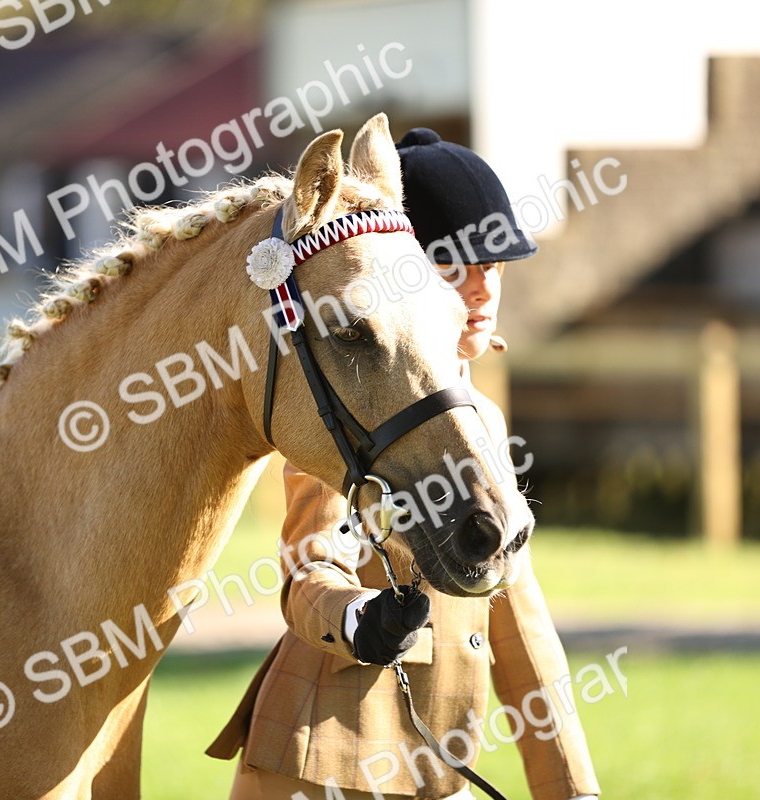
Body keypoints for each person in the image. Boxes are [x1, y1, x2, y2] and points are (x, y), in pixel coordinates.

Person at [207, 129, 601, 800]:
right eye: (456, 267)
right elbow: (309, 571)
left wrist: (571, 788)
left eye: (495, 267)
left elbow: (519, 623)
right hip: (315, 761)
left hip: (437, 767)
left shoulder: (485, 424)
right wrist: (359, 615)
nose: (481, 289)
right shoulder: (356, 418)